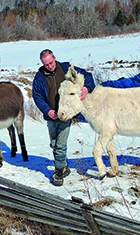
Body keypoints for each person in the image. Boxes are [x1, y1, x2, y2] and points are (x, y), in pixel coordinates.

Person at [33, 49, 95, 186]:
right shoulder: (39, 77)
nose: (49, 66)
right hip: (51, 115)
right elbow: (37, 96)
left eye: (50, 62)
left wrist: (86, 88)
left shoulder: (66, 68)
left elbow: (87, 75)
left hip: (65, 113)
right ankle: (64, 166)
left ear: (54, 58)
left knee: (60, 145)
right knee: (54, 144)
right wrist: (47, 110)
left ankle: (59, 172)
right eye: (46, 64)